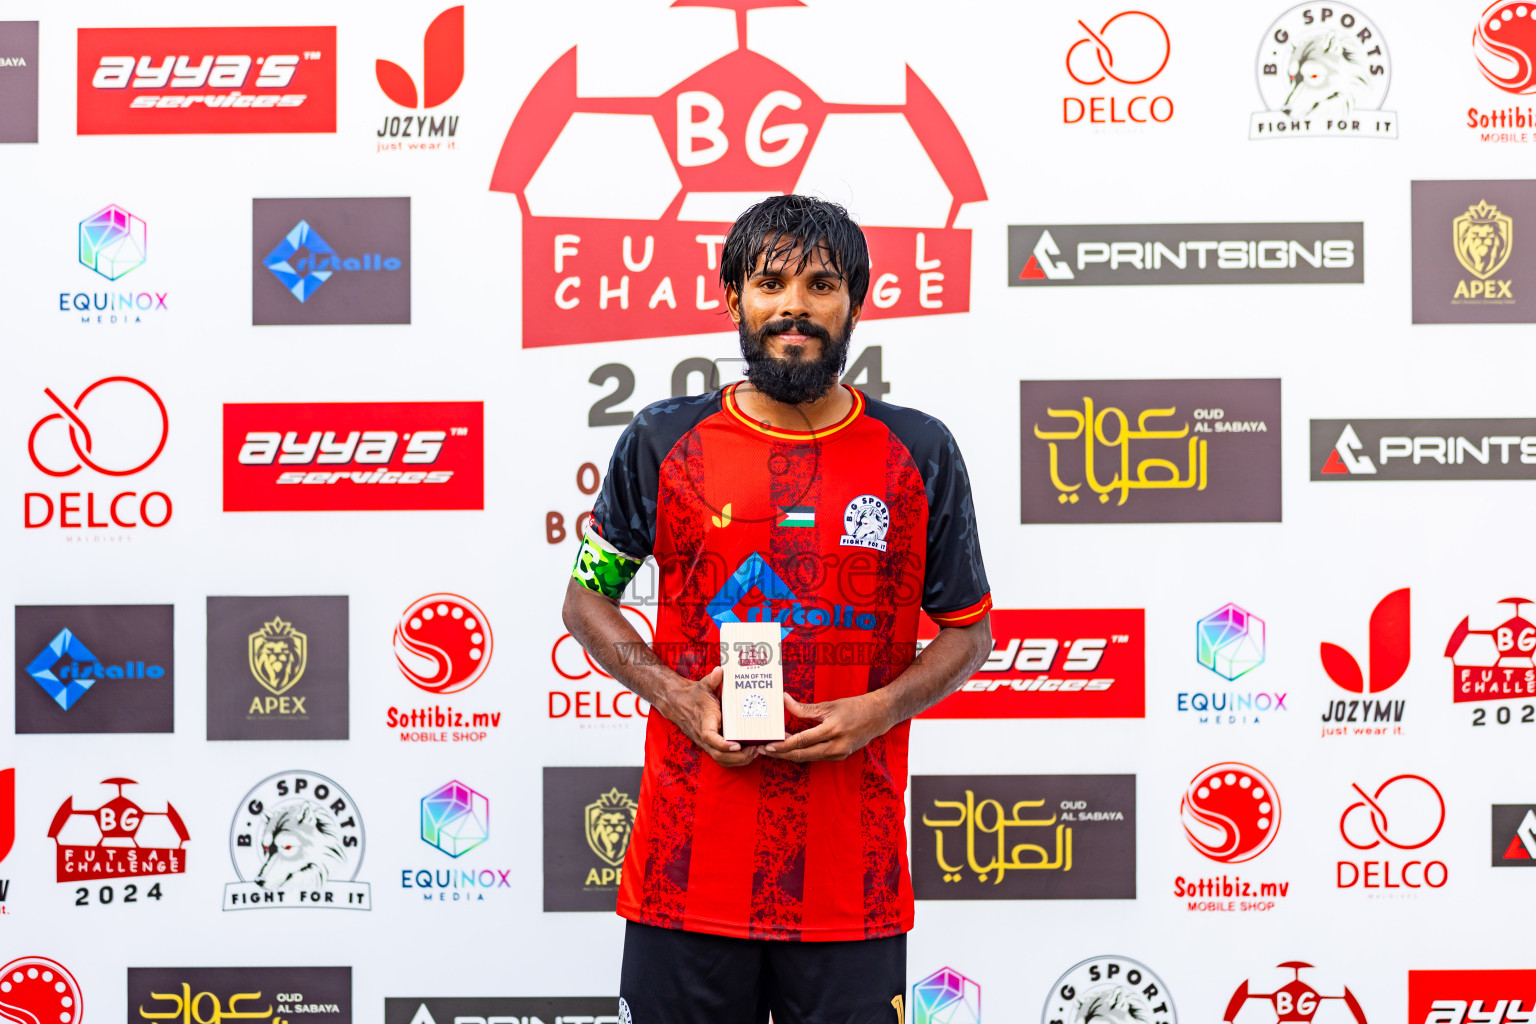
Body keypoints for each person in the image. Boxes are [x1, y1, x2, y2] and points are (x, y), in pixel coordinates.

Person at [562, 194, 993, 1024]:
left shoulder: (920, 451)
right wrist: (676, 693)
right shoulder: (659, 440)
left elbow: (969, 632)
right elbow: (588, 600)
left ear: (855, 304)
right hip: (684, 876)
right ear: (733, 299)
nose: (794, 305)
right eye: (770, 283)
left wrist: (876, 711)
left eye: (822, 284)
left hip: (850, 880)